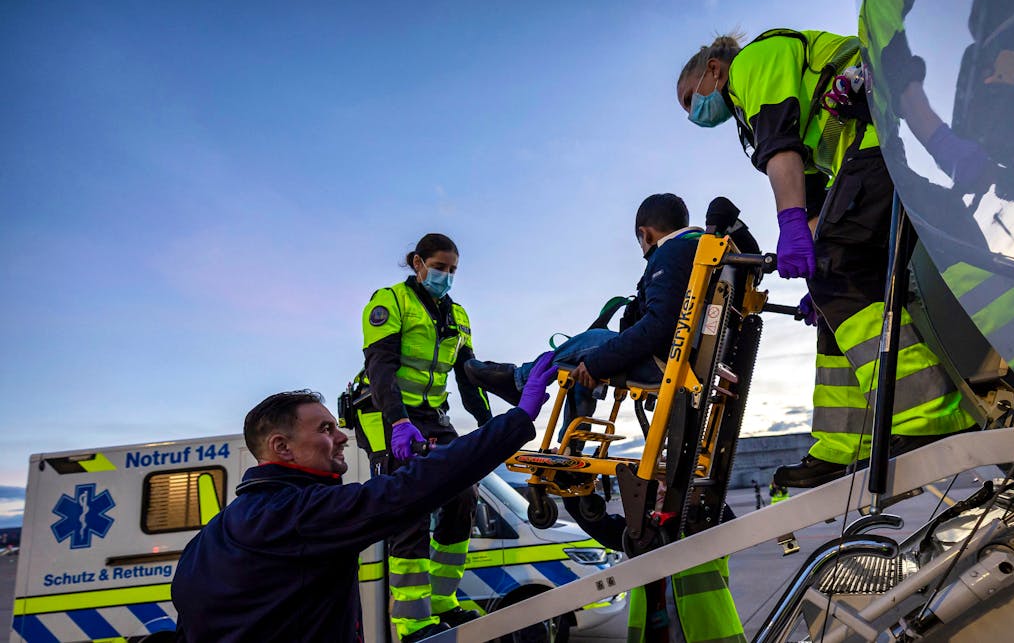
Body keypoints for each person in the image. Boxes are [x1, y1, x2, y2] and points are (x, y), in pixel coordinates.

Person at [676, 27, 977, 489]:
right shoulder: (749, 92)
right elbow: (816, 194)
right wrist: (816, 273)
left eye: (688, 99)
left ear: (713, 70)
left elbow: (782, 150)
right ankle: (847, 442)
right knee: (834, 290)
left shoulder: (753, 63)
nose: (693, 113)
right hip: (876, 153)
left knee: (840, 274)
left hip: (877, 145)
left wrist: (792, 227)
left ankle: (926, 417)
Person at [171, 367, 555, 642]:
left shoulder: (212, 535)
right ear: (281, 447)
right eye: (325, 429)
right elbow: (406, 492)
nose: (342, 437)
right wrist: (519, 419)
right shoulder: (297, 514)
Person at [356, 233, 496, 641]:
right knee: (410, 507)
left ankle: (442, 600)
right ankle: (413, 623)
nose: (446, 277)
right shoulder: (391, 301)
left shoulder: (458, 315)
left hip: (432, 415)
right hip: (385, 412)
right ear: (418, 263)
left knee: (463, 494)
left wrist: (489, 424)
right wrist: (399, 422)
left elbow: (468, 376)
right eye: (439, 267)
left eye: (453, 270)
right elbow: (380, 368)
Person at [464, 193, 701, 422]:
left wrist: (597, 362)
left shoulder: (670, 252)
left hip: (664, 362)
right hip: (680, 357)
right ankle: (572, 439)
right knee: (585, 359)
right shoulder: (698, 251)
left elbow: (660, 323)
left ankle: (519, 381)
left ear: (645, 234)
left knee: (589, 342)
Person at [562, 495, 744, 642]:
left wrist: (696, 493)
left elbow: (730, 527)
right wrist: (573, 491)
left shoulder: (702, 526)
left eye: (669, 480)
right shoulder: (641, 535)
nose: (663, 488)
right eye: (657, 481)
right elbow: (599, 524)